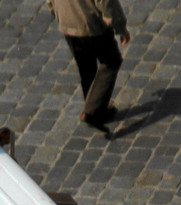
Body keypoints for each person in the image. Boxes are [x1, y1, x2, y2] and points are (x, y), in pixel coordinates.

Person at [46, 0, 131, 136]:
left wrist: (57, 13)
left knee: (86, 67)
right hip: (91, 25)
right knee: (112, 60)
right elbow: (107, 3)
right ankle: (91, 111)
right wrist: (120, 27)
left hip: (67, 24)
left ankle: (97, 108)